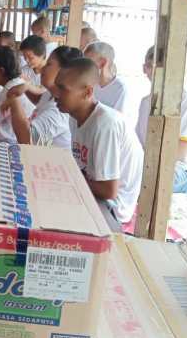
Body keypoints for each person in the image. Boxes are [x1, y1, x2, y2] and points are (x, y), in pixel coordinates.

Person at [54, 58, 144, 225]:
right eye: (56, 87)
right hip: (94, 190)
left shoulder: (105, 125)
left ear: (87, 92)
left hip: (113, 207)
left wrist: (68, 177)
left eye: (62, 89)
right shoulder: (74, 116)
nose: (55, 95)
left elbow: (108, 191)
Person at [136, 46, 187, 194]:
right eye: (150, 67)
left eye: (161, 68)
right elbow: (140, 144)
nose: (155, 73)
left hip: (184, 170)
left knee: (146, 179)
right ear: (144, 69)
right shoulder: (145, 102)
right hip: (150, 163)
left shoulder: (186, 100)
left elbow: (181, 152)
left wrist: (147, 167)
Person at [7, 46, 81, 149]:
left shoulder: (61, 111)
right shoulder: (52, 94)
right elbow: (40, 101)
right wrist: (26, 87)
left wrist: (14, 99)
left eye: (49, 64)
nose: (43, 69)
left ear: (64, 71)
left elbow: (26, 139)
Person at [84, 41, 141, 130]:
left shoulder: (120, 89)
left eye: (88, 63)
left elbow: (114, 121)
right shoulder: (88, 83)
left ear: (102, 63)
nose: (84, 68)